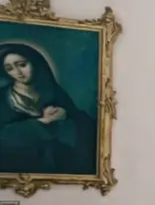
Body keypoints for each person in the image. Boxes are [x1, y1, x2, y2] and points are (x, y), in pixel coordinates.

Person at [0, 42, 97, 175]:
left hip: (56, 168)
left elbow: (86, 126)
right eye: (9, 68)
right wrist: (41, 123)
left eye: (22, 65)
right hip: (17, 166)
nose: (18, 73)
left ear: (34, 63)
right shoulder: (2, 96)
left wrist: (65, 116)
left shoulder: (53, 91)